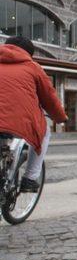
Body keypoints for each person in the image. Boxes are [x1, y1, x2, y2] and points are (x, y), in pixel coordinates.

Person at [0, 36, 67, 191]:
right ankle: (30, 178)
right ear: (28, 53)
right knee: (45, 131)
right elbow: (49, 99)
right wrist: (60, 117)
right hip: (17, 123)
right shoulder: (33, 67)